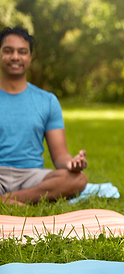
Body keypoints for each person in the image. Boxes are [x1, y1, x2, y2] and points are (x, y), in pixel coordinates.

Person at [0, 27, 88, 205]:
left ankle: (7, 200)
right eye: (8, 51)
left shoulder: (47, 101)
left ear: (30, 57)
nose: (15, 57)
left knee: (78, 179)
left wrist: (72, 163)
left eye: (22, 52)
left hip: (31, 176)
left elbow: (60, 156)